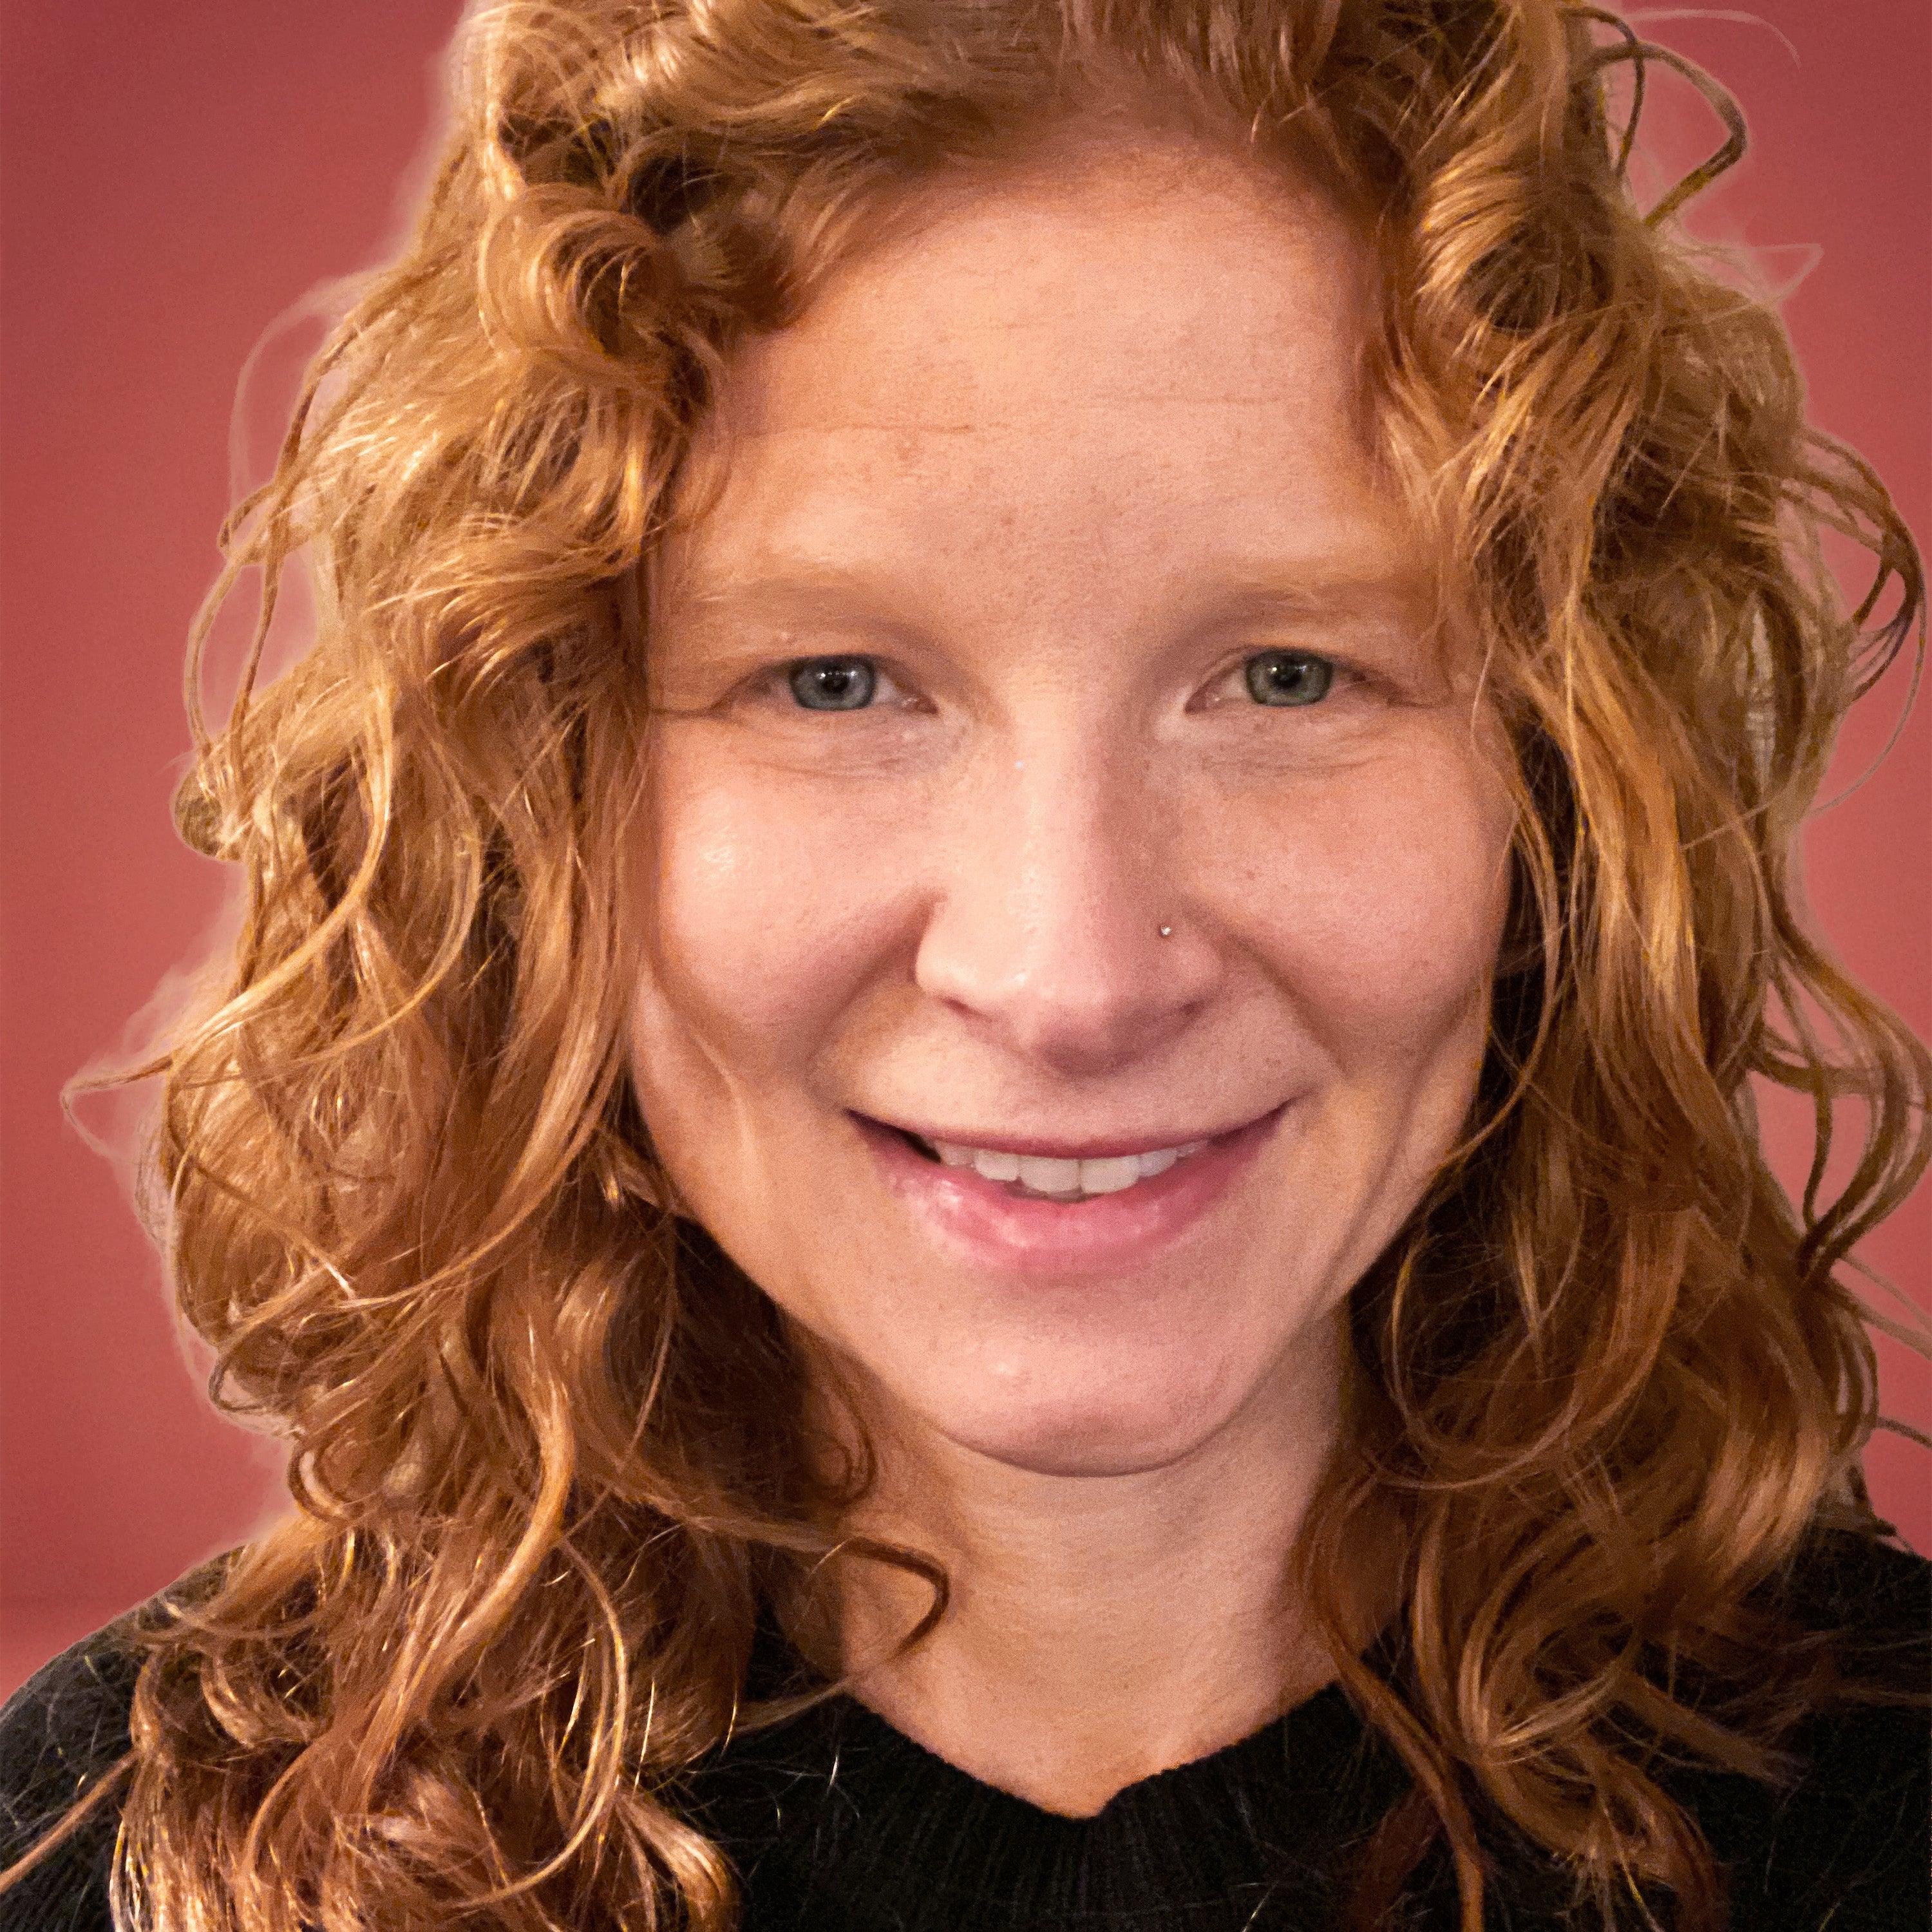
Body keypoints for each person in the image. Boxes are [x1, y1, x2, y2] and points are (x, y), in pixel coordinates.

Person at [1, 0, 1927, 1927]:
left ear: (1565, 785)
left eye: (1286, 676)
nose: (1070, 979)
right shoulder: (108, 1862)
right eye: (835, 681)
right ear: (531, 796)